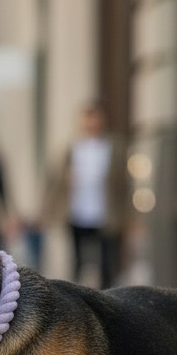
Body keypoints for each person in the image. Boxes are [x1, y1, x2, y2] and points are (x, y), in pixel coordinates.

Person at [43, 101, 130, 289]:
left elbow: (123, 184)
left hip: (105, 213)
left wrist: (129, 216)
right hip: (77, 212)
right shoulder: (72, 148)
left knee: (106, 262)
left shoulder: (113, 147)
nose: (91, 124)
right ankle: (77, 300)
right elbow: (54, 182)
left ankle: (108, 298)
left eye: (95, 119)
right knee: (78, 260)